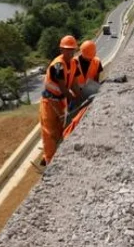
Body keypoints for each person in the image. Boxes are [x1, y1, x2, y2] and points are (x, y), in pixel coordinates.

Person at [37, 35, 81, 168]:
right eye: (67, 49)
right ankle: (49, 160)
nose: (70, 52)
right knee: (49, 131)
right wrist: (75, 99)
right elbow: (62, 87)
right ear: (61, 50)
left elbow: (74, 84)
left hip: (61, 101)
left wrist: (80, 96)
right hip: (49, 102)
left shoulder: (74, 63)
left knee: (60, 129)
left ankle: (57, 155)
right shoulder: (58, 65)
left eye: (72, 50)